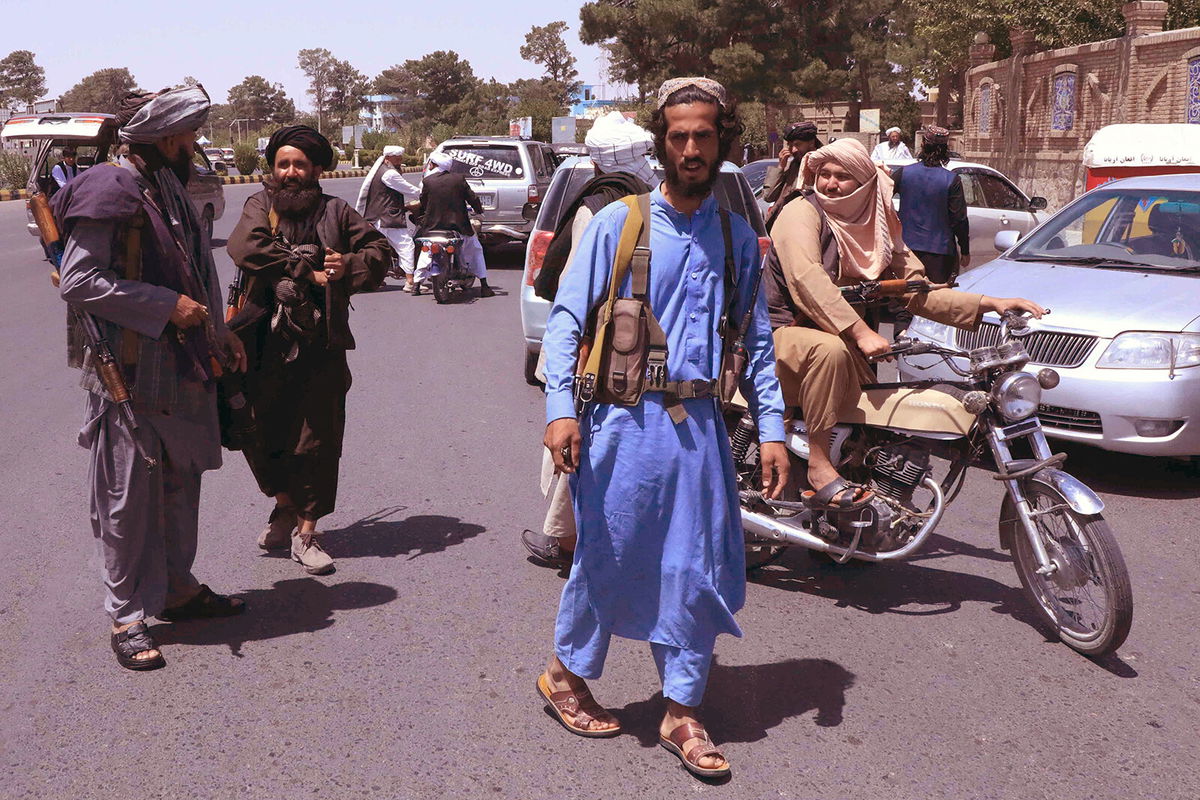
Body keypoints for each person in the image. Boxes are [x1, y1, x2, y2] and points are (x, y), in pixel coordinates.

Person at [537, 77, 789, 779]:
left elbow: (758, 341)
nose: (690, 148)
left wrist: (772, 428)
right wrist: (560, 409)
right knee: (609, 557)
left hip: (702, 428)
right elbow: (565, 320)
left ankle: (682, 710)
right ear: (662, 144)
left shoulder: (738, 238)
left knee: (695, 567)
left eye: (703, 135)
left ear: (721, 142)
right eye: (677, 136)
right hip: (621, 424)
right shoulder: (621, 223)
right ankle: (565, 673)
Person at [54, 85, 248, 672]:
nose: (194, 144)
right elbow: (80, 281)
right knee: (126, 498)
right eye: (189, 135)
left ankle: (178, 589)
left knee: (179, 482)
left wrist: (216, 329)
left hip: (182, 365)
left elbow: (193, 263)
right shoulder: (110, 186)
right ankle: (128, 615)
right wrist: (166, 306)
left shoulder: (162, 182)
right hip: (131, 371)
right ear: (166, 137)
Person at [766, 137, 1044, 507]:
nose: (830, 184)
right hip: (778, 334)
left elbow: (918, 290)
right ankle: (818, 463)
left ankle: (859, 510)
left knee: (878, 422)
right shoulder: (801, 212)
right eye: (825, 174)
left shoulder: (879, 226)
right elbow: (807, 279)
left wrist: (989, 303)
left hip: (843, 343)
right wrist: (861, 332)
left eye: (842, 176)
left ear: (864, 183)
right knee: (829, 350)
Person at [226, 125, 391, 575]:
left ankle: (306, 531)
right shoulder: (260, 205)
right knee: (259, 432)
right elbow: (246, 247)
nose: (291, 172)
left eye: (300, 164)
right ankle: (283, 505)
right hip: (261, 347)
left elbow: (381, 252)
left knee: (317, 441)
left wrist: (345, 265)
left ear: (317, 169)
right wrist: (307, 268)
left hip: (321, 347)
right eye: (283, 164)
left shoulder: (336, 211)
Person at [520, 111, 656, 568]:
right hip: (647, 344)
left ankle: (566, 540)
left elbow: (578, 291)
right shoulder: (658, 197)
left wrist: (575, 348)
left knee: (576, 437)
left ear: (596, 163)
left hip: (597, 346)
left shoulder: (596, 207)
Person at [889, 126, 970, 285]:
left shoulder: (903, 174)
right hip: (940, 254)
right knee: (937, 300)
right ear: (945, 149)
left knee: (905, 299)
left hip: (905, 252)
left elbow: (882, 199)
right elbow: (959, 219)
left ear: (923, 144)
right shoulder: (951, 180)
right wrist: (965, 250)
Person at [411, 151, 493, 297]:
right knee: (475, 249)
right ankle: (484, 285)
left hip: (433, 227)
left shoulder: (428, 181)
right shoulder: (458, 179)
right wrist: (479, 211)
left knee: (426, 252)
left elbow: (423, 203)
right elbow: (472, 198)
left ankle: (416, 285)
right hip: (458, 227)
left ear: (434, 164)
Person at [355, 144, 421, 291]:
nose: (399, 162)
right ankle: (410, 282)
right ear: (387, 158)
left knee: (379, 249)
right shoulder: (389, 174)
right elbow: (409, 189)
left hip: (379, 218)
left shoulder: (383, 170)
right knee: (406, 246)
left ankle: (374, 278)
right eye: (397, 159)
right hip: (388, 219)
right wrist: (427, 192)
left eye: (400, 159)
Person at [762, 121, 821, 209]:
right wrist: (781, 167)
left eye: (798, 144)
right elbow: (768, 196)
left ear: (811, 143)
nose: (793, 150)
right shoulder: (790, 167)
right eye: (790, 145)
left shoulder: (824, 166)